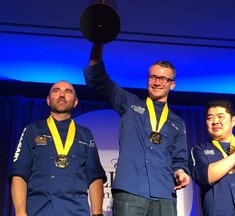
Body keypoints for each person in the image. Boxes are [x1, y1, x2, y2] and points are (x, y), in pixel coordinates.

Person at [84, 44, 190, 216]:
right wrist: (98, 42)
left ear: (172, 84)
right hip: (130, 192)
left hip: (164, 194)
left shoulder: (177, 122)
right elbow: (97, 78)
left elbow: (179, 159)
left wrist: (181, 171)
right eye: (153, 77)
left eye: (163, 79)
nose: (157, 82)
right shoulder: (130, 104)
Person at [9, 81, 107, 216]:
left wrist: (97, 213)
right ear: (48, 100)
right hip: (38, 210)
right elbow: (19, 173)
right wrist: (20, 213)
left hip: (76, 211)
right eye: (56, 91)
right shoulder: (32, 130)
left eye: (68, 92)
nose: (62, 95)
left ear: (75, 102)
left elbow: (95, 176)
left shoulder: (85, 134)